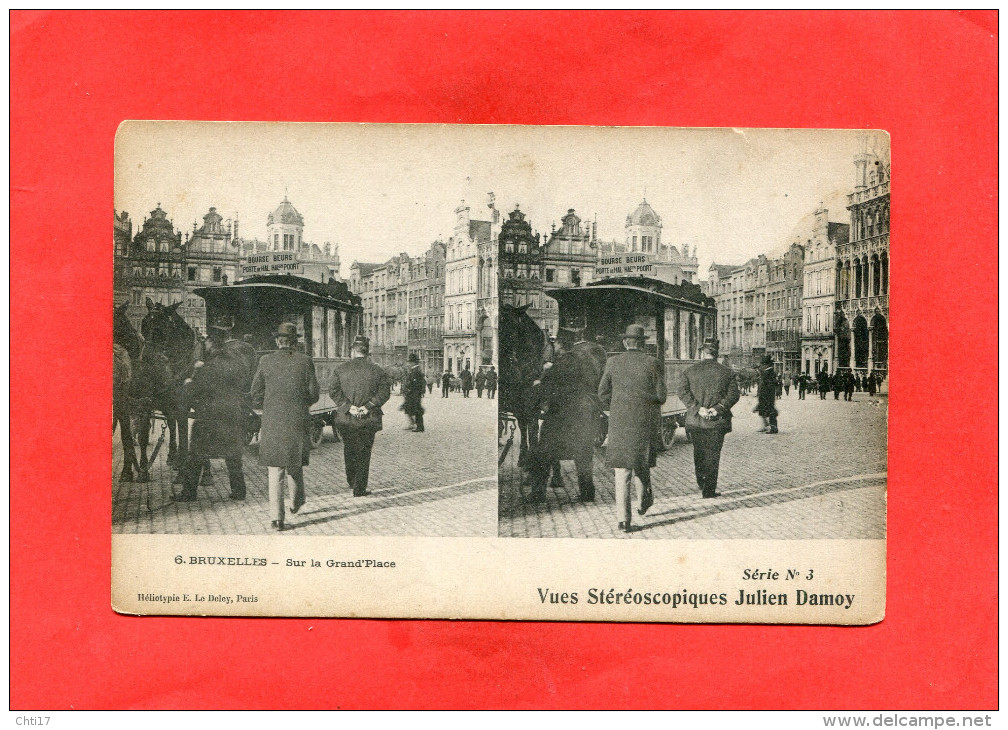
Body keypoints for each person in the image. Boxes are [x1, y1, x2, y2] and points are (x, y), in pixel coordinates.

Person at [250, 322, 320, 531]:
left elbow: (255, 392)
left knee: (275, 469)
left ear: (276, 341)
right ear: (295, 342)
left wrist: (269, 405)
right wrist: (299, 403)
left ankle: (276, 518)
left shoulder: (265, 361)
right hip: (298, 420)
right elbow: (314, 394)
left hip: (273, 421)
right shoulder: (305, 361)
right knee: (294, 463)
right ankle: (296, 502)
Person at [598, 324, 666, 532]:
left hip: (619, 423)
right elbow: (661, 396)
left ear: (625, 342)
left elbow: (602, 394)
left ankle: (623, 520)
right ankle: (644, 502)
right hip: (644, 423)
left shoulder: (612, 362)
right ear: (643, 343)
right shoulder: (653, 363)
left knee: (622, 471)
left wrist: (617, 406)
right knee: (641, 464)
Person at [174, 328, 247, 503]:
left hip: (209, 417)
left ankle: (188, 493)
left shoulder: (206, 367)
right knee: (233, 456)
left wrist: (189, 381)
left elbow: (192, 393)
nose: (205, 345)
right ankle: (239, 491)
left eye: (206, 342)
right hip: (232, 415)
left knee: (196, 455)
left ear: (212, 344)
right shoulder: (237, 364)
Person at [529, 328, 600, 503]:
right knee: (583, 455)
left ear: (560, 344)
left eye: (556, 343)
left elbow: (549, 387)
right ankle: (587, 493)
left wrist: (538, 382)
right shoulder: (587, 361)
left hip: (561, 415)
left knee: (543, 453)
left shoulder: (561, 363)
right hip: (584, 415)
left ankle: (538, 494)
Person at [678, 337, 740, 499]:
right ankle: (709, 489)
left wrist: (698, 408)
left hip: (696, 420)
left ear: (702, 352)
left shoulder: (690, 371)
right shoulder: (726, 372)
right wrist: (717, 409)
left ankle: (701, 481)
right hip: (717, 421)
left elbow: (683, 392)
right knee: (713, 454)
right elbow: (733, 395)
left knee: (698, 452)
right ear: (717, 353)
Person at [329, 335, 391, 496]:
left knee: (349, 449)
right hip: (368, 418)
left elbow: (334, 391)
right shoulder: (378, 370)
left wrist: (349, 407)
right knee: (364, 452)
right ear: (367, 351)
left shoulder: (341, 369)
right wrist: (368, 406)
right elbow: (385, 392)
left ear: (352, 350)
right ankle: (359, 487)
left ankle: (351, 480)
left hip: (347, 418)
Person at [401, 353, 426, 433]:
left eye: (410, 362)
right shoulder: (414, 370)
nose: (408, 363)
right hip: (414, 393)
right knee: (413, 408)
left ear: (413, 362)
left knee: (417, 409)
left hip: (414, 393)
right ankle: (416, 425)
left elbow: (416, 383)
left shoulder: (416, 371)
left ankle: (419, 427)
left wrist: (409, 389)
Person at [755, 354, 779, 434]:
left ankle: (773, 428)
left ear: (766, 364)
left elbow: (769, 384)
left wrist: (764, 394)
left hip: (768, 394)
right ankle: (765, 425)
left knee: (770, 410)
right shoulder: (766, 372)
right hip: (764, 394)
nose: (761, 366)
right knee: (762, 409)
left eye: (763, 364)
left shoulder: (769, 372)